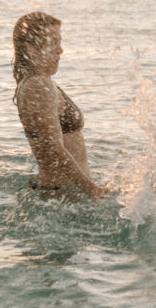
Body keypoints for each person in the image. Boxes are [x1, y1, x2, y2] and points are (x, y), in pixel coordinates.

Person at [12, 12, 107, 198]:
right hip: (61, 196)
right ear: (32, 48)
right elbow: (53, 148)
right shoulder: (37, 85)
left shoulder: (38, 82)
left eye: (60, 42)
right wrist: (92, 190)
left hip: (64, 193)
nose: (60, 50)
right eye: (53, 42)